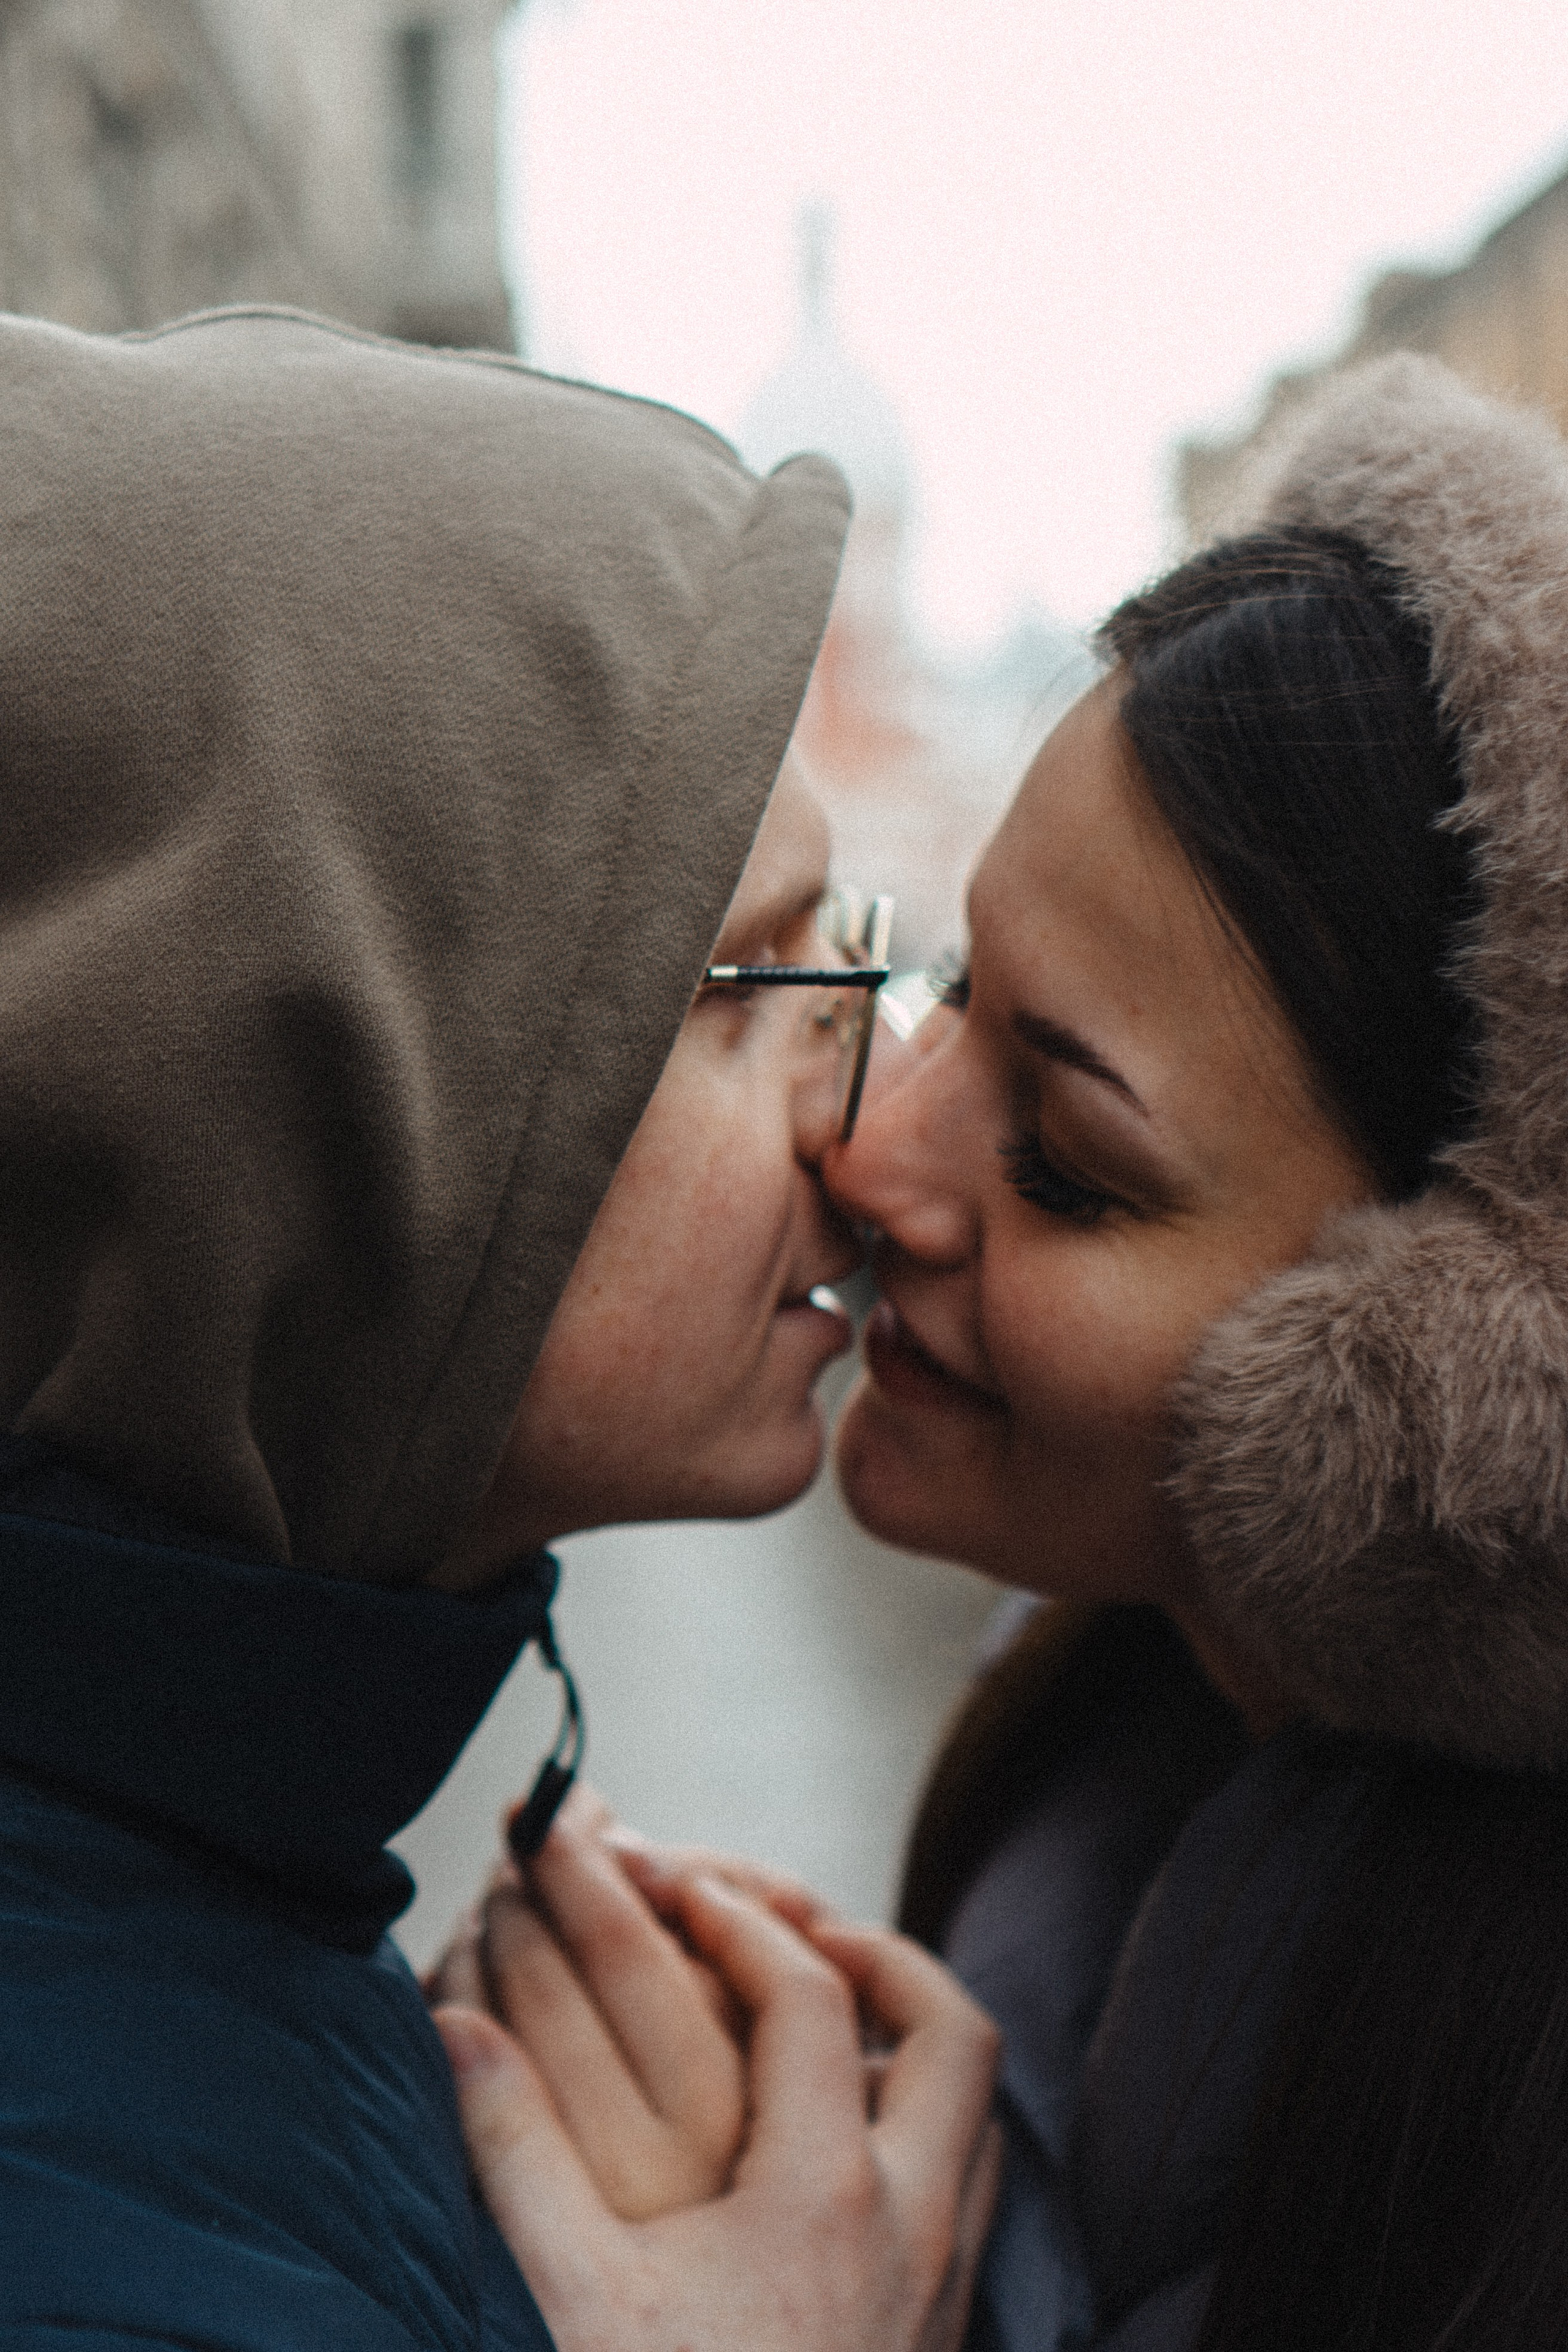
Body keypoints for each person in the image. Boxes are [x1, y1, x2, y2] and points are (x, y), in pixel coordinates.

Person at [447, 355, 1568, 2350]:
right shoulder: (1109, 1767)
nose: (869, 1146)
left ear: (1448, 1412)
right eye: (951, 983)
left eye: (1067, 1161)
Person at [0, 303, 1000, 2351]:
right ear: (299, 1127)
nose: (885, 1128)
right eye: (742, 986)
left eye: (863, 962)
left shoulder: (216, 1872)